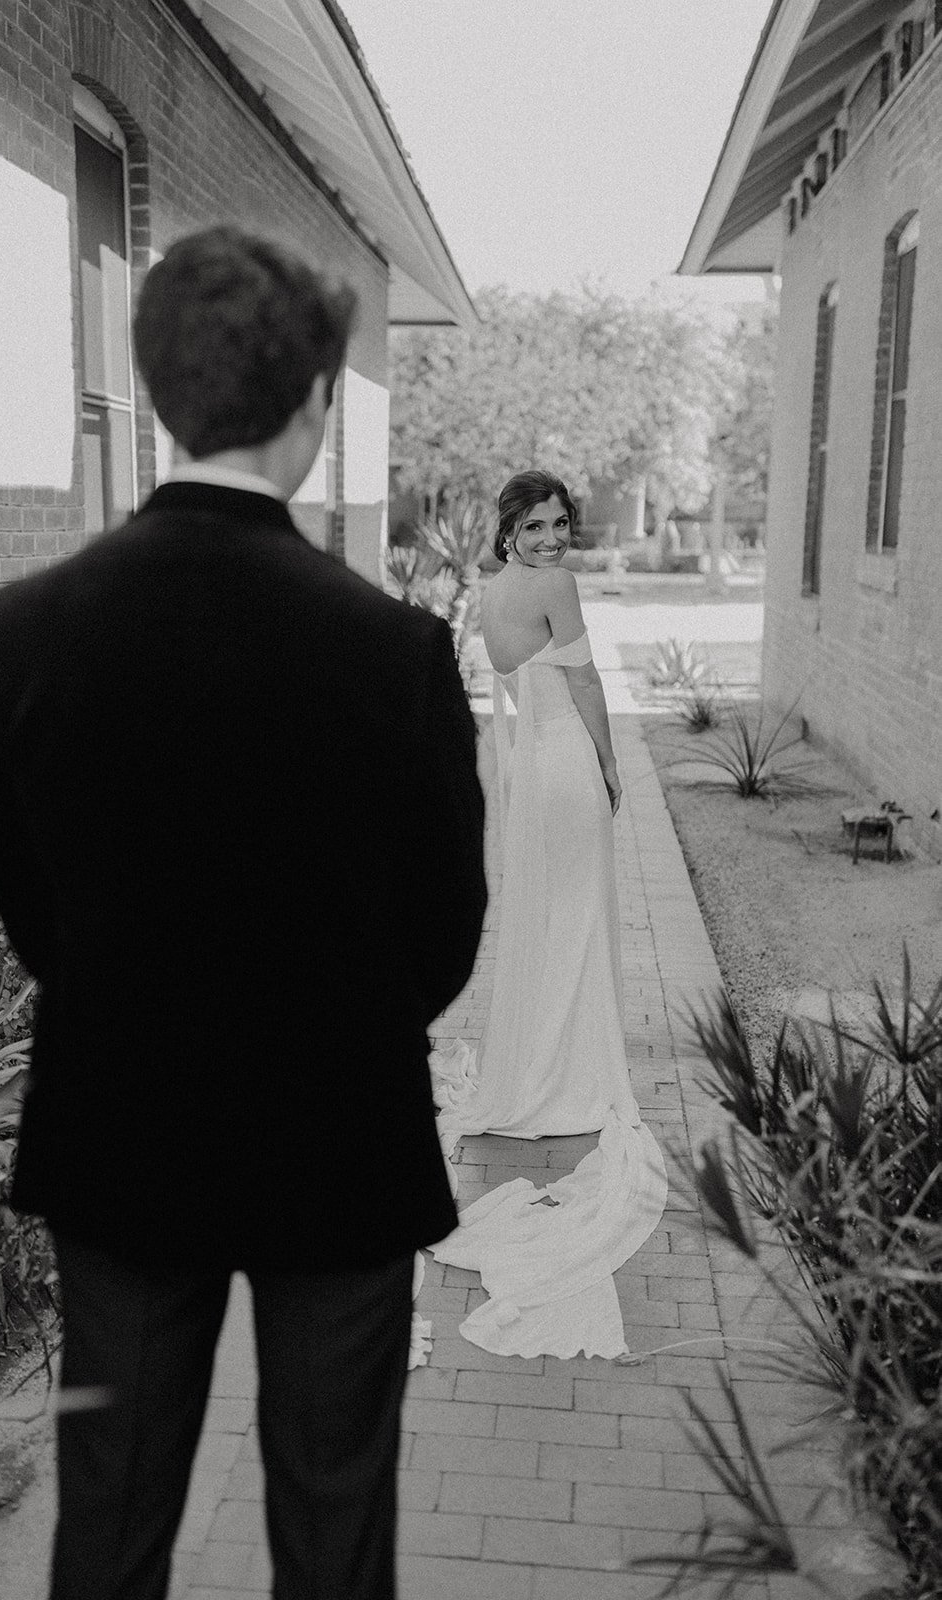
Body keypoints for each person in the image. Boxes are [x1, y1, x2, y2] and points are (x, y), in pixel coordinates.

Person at [0, 226, 487, 1600]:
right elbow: (446, 925)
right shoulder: (393, 652)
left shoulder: (28, 627)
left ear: (154, 391)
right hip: (341, 1140)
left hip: (123, 1136)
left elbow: (35, 909)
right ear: (316, 405)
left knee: (112, 1532)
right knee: (331, 1536)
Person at [429, 469, 666, 1361]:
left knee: (547, 916)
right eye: (535, 525)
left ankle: (542, 1056)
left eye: (561, 524)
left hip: (526, 772)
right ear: (510, 528)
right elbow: (590, 684)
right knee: (575, 916)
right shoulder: (555, 589)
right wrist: (609, 769)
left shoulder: (489, 592)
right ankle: (571, 1066)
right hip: (563, 761)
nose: (552, 538)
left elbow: (512, 681)